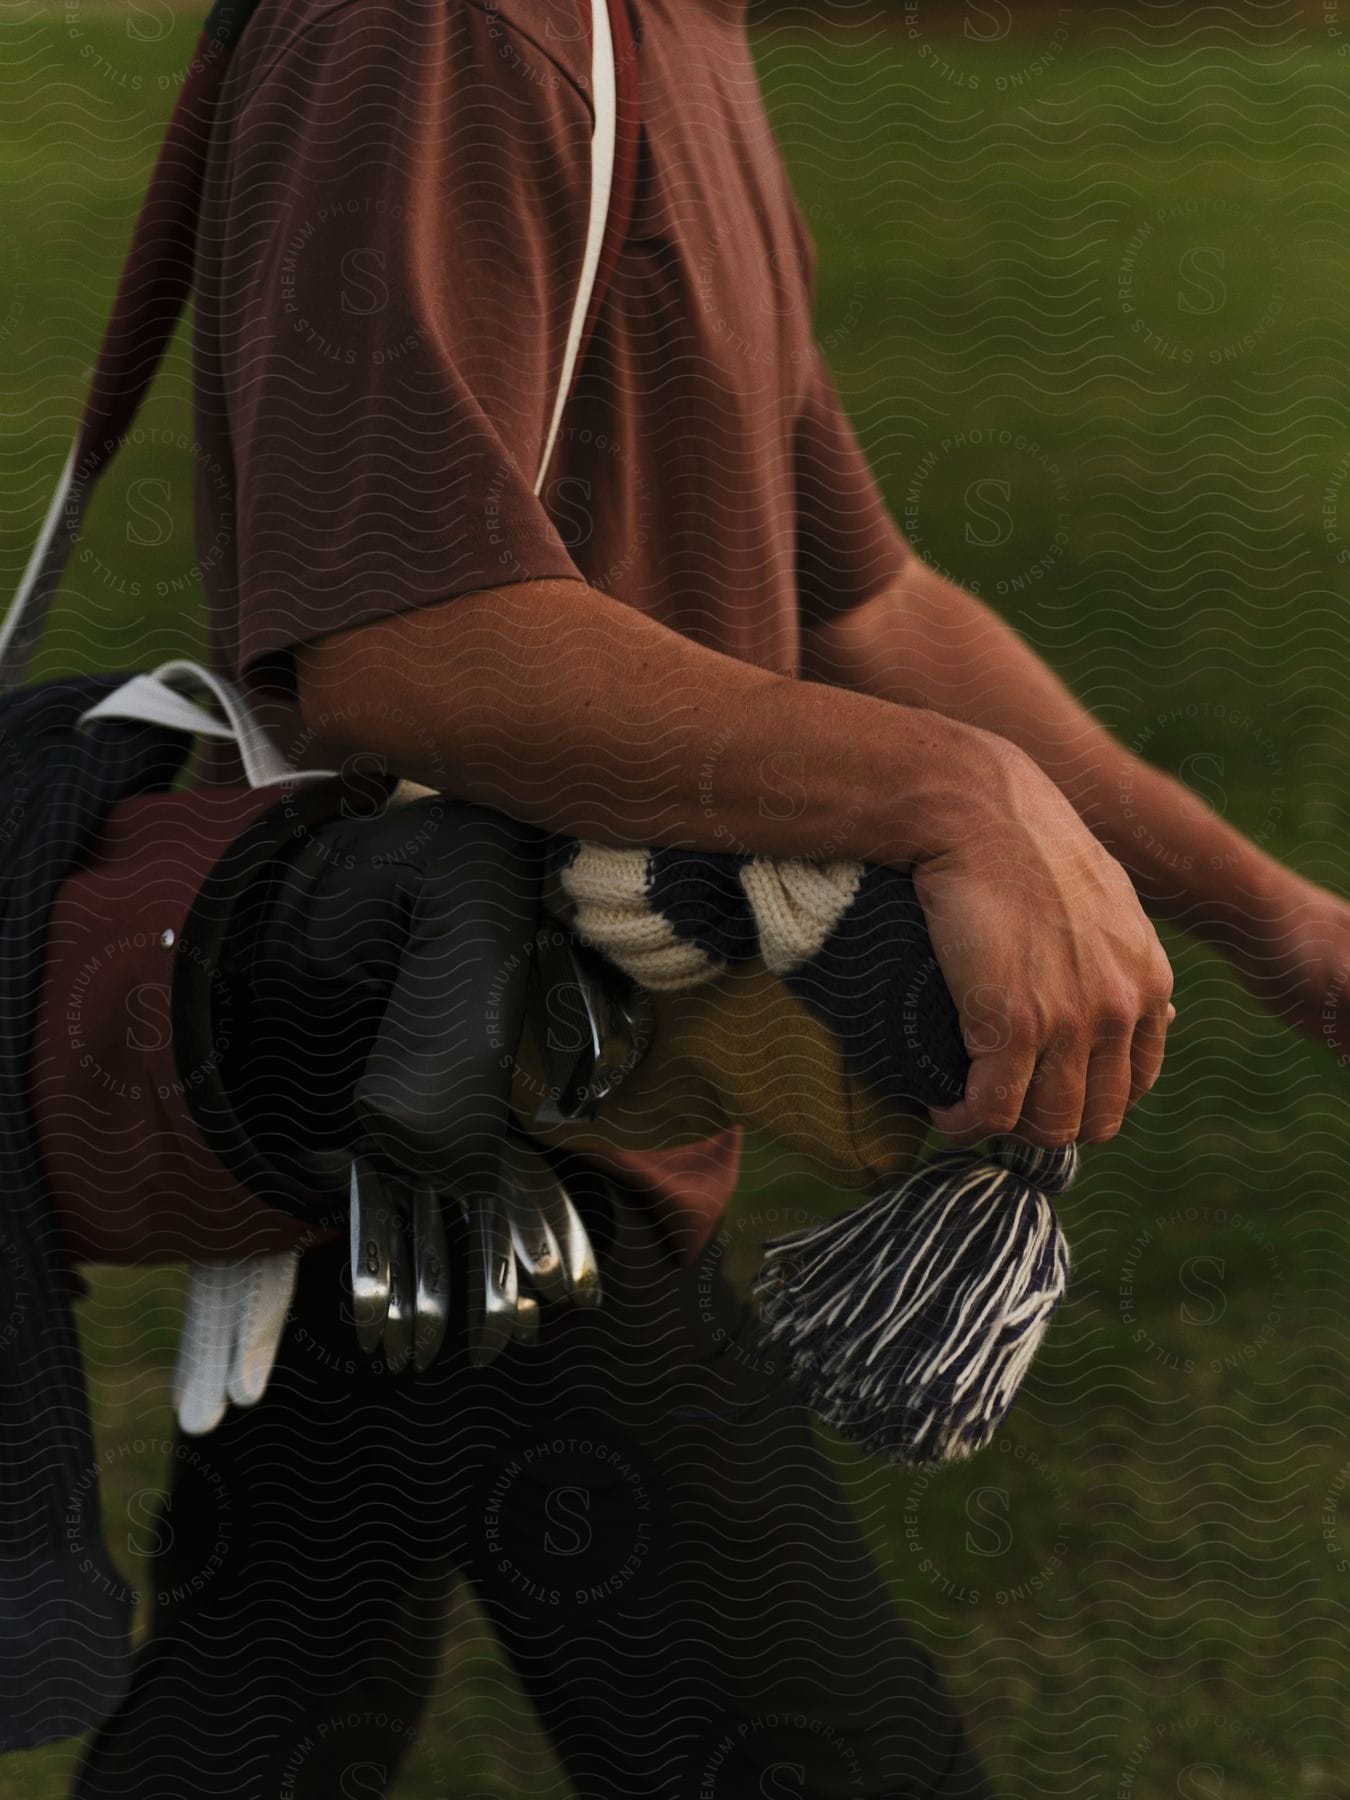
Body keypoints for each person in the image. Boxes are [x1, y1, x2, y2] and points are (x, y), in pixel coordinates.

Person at [71, 0, 1350, 1795]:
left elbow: (865, 612)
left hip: (461, 1097)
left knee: (271, 1699)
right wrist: (947, 793)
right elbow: (398, 641)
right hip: (472, 1100)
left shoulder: (670, 27)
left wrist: (1275, 920)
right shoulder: (453, 27)